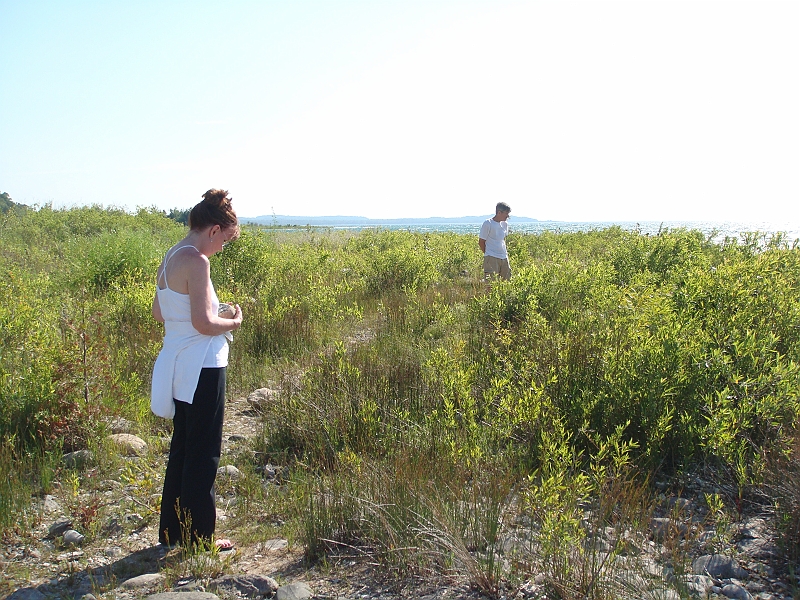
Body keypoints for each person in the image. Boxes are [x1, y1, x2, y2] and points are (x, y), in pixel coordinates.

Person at [151, 188, 243, 550]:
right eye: (225, 240)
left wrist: (204, 317)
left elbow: (160, 313)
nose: (222, 247)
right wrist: (233, 321)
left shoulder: (172, 255)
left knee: (183, 447)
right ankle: (201, 539)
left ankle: (172, 532)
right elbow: (204, 324)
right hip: (203, 365)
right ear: (214, 229)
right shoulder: (198, 261)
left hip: (177, 364)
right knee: (204, 453)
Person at [479, 202, 512, 280]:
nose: (508, 216)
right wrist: (488, 254)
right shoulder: (488, 223)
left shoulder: (505, 224)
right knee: (491, 283)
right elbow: (481, 242)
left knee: (507, 281)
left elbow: (502, 240)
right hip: (491, 257)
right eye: (506, 213)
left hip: (504, 257)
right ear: (499, 212)